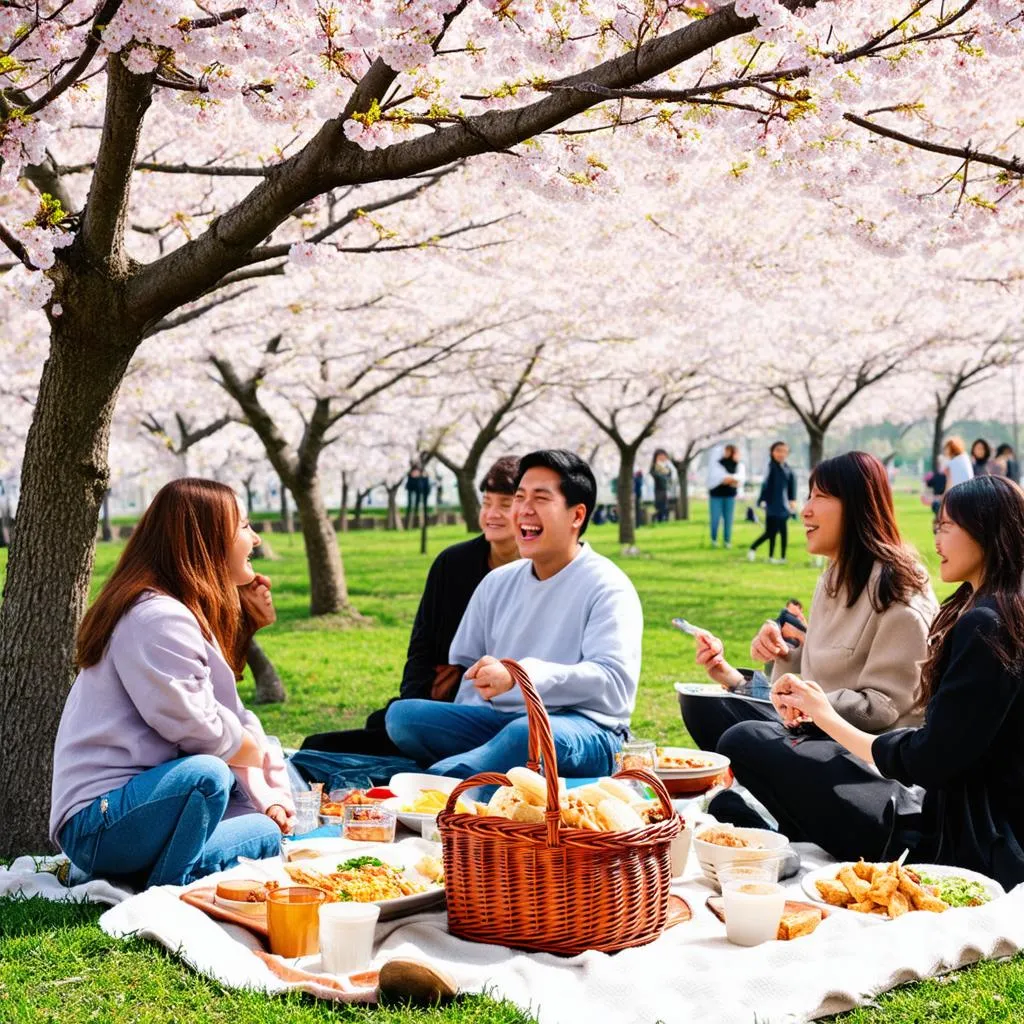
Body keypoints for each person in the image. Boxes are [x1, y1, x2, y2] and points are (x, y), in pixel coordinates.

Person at [763, 476, 1024, 890]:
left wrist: (826, 716)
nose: (936, 539)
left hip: (963, 837)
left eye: (946, 527)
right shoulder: (991, 610)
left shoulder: (985, 624)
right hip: (951, 807)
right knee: (753, 739)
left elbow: (930, 758)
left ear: (986, 529)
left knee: (751, 742)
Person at [50, 479, 290, 889]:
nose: (255, 538)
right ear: (209, 539)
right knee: (208, 774)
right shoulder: (157, 617)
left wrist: (270, 792)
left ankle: (161, 868)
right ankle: (165, 884)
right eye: (245, 526)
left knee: (264, 834)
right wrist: (262, 758)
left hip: (147, 806)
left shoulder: (180, 611)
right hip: (100, 824)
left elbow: (229, 715)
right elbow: (199, 729)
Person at [385, 449, 643, 779]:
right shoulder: (497, 582)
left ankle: (450, 781)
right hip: (500, 721)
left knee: (522, 735)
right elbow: (467, 672)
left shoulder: (607, 585)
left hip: (585, 729)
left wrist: (521, 676)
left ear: (576, 516)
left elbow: (612, 682)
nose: (524, 510)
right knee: (403, 718)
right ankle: (487, 763)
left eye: (540, 498)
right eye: (520, 497)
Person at [680, 451, 938, 757]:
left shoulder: (897, 590)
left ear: (857, 506)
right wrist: (783, 652)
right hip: (816, 732)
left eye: (820, 497)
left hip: (868, 756)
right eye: (807, 497)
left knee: (744, 739)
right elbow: (822, 669)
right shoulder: (833, 578)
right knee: (703, 708)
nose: (805, 511)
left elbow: (883, 706)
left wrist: (806, 702)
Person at [301, 456, 522, 755]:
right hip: (439, 704)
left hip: (502, 710)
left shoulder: (540, 571)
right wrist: (415, 702)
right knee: (330, 744)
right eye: (486, 502)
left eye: (505, 505)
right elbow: (422, 644)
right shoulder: (452, 563)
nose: (492, 514)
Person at [747, 441, 796, 564]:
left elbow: (791, 486)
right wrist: (761, 500)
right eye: (778, 451)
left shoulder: (787, 468)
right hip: (772, 505)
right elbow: (765, 486)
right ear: (772, 452)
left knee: (783, 532)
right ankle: (759, 550)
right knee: (771, 532)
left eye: (784, 451)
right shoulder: (770, 468)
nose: (781, 454)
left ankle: (783, 557)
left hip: (784, 505)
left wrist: (792, 500)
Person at [707, 443, 746, 548]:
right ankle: (714, 539)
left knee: (728, 519)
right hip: (716, 495)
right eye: (726, 450)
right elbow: (720, 479)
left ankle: (727, 540)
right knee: (715, 518)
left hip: (730, 495)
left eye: (730, 451)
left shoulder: (738, 465)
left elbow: (739, 480)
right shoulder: (717, 464)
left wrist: (730, 480)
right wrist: (730, 480)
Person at [650, 449, 673, 523]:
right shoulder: (654, 466)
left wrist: (666, 477)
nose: (662, 457)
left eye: (664, 456)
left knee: (665, 504)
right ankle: (659, 518)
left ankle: (664, 518)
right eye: (660, 456)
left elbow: (669, 475)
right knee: (659, 504)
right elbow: (654, 474)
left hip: (666, 488)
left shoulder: (667, 466)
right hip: (658, 488)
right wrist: (664, 477)